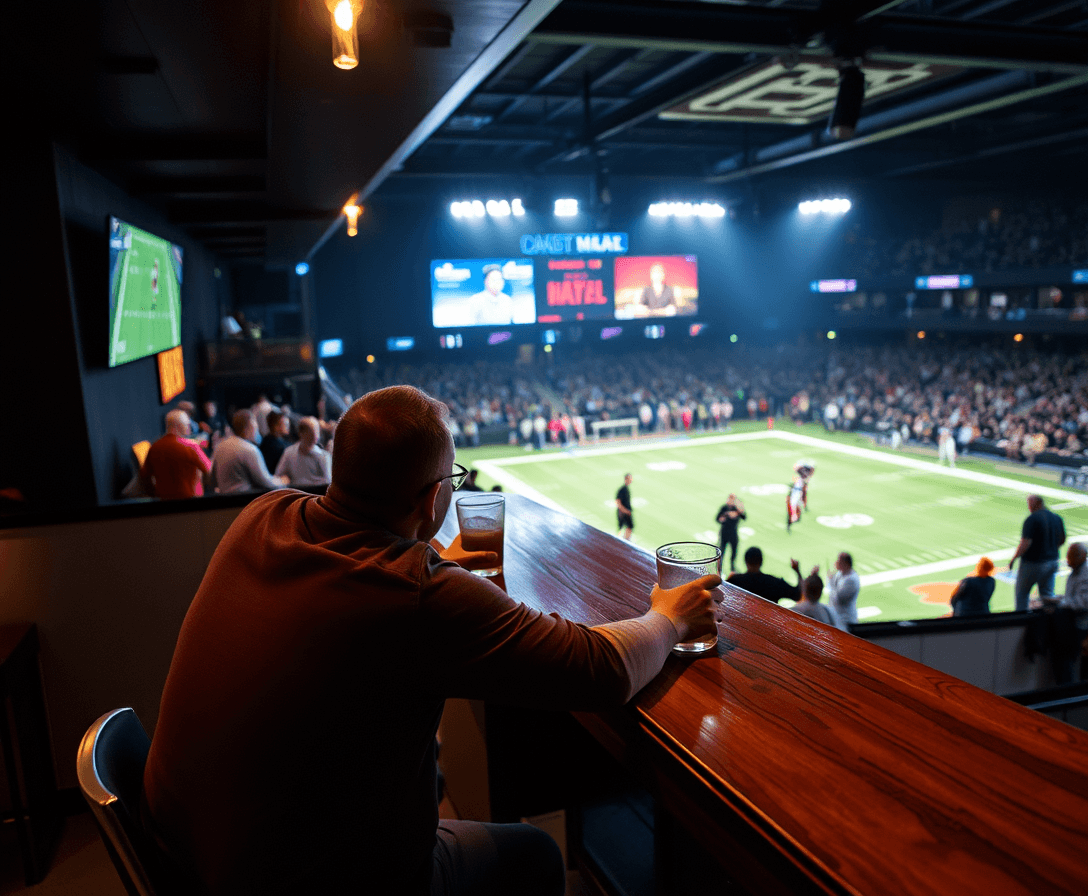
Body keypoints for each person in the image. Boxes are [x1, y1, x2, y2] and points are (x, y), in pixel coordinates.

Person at [142, 385, 720, 896]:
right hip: (301, 879)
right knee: (537, 856)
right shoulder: (415, 595)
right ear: (427, 499)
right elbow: (600, 669)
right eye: (450, 479)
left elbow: (355, 587)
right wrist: (669, 616)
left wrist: (436, 563)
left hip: (184, 855)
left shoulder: (262, 514)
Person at [1009, 494, 1066, 611]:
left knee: (1022, 595)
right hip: (1052, 562)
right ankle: (1049, 624)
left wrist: (1014, 558)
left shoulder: (1032, 519)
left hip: (1032, 563)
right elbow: (1062, 540)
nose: (1029, 507)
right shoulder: (1057, 518)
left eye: (1031, 504)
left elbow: (1026, 543)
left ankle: (1021, 623)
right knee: (1048, 597)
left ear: (1038, 504)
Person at [210, 410, 288, 495]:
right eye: (256, 427)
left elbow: (213, 480)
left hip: (223, 503)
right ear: (249, 426)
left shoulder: (220, 447)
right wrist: (282, 481)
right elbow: (267, 483)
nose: (257, 431)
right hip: (244, 503)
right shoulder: (249, 449)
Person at [141, 408, 212, 500]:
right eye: (187, 424)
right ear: (178, 426)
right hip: (192, 504)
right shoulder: (191, 447)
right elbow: (209, 470)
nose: (189, 428)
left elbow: (145, 477)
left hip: (164, 505)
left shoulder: (154, 447)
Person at [728, 547, 809, 603]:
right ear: (761, 562)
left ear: (745, 562)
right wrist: (797, 571)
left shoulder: (735, 580)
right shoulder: (774, 583)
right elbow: (798, 595)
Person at [274, 417, 331, 487]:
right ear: (301, 433)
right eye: (311, 431)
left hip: (317, 494)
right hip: (296, 493)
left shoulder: (324, 456)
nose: (315, 435)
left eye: (317, 431)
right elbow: (278, 475)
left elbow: (328, 482)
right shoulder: (289, 452)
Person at [827, 552, 860, 627]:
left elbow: (839, 598)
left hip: (846, 619)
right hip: (838, 618)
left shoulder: (851, 580)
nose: (836, 562)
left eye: (839, 561)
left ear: (845, 563)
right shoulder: (840, 573)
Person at [715, 494, 746, 573]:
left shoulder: (737, 509)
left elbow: (744, 517)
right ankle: (719, 568)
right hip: (724, 533)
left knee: (734, 552)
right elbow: (717, 518)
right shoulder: (724, 508)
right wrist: (725, 516)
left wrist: (740, 509)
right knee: (722, 551)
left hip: (733, 533)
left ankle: (732, 568)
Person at [260, 409, 291, 476]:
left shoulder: (265, 440)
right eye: (285, 424)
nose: (288, 426)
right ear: (275, 427)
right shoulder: (278, 447)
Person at [616, 473, 634, 540]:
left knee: (628, 527)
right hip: (624, 513)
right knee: (626, 527)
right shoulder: (622, 490)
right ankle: (625, 541)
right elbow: (618, 502)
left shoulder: (626, 489)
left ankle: (625, 540)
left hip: (625, 512)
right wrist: (625, 511)